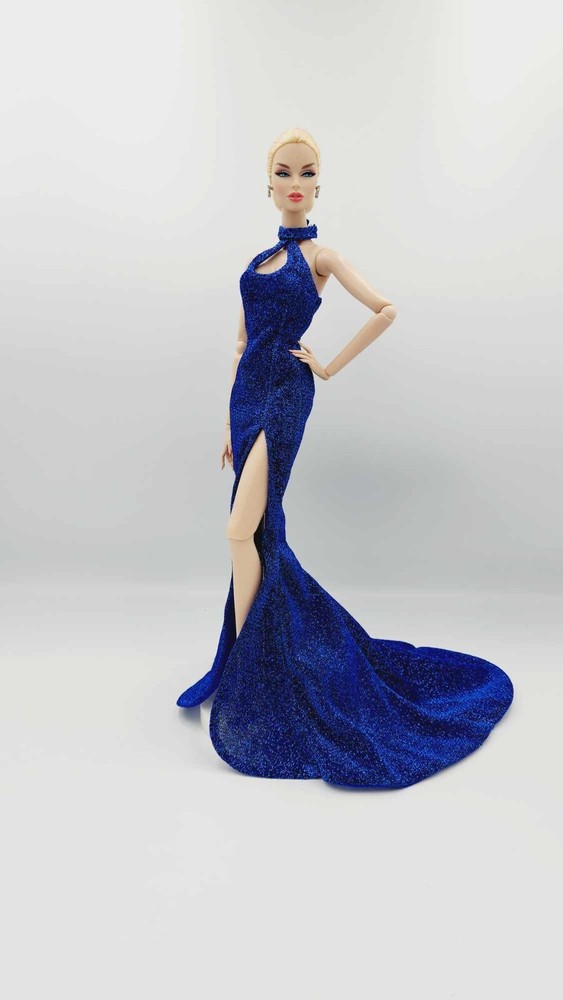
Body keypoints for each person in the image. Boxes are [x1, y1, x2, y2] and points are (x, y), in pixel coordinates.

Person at [176, 127, 514, 789]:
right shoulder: (258, 261)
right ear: (268, 184)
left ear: (318, 185)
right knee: (256, 534)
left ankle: (250, 668)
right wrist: (227, 422)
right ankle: (252, 661)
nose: (294, 183)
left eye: (306, 172)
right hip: (247, 399)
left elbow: (385, 309)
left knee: (241, 531)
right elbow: (241, 343)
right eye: (283, 172)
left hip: (283, 394)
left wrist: (325, 366)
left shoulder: (321, 257)